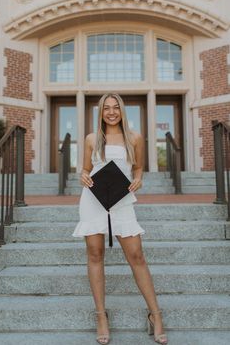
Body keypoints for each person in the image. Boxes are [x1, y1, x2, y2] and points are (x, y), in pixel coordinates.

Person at [72, 93, 168, 345]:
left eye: (116, 108)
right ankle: (101, 315)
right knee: (95, 254)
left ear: (122, 111)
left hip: (122, 199)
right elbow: (84, 168)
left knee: (136, 255)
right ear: (101, 112)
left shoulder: (134, 138)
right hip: (93, 200)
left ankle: (155, 314)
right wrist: (81, 176)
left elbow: (137, 168)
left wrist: (139, 179)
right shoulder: (92, 138)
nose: (112, 112)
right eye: (107, 108)